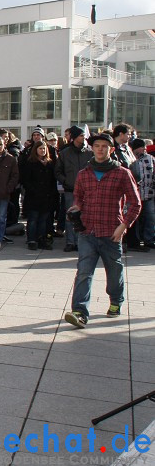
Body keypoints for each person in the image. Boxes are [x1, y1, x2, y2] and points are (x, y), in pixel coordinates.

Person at [63, 133, 141, 329]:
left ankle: (116, 300)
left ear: (111, 150)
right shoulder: (84, 174)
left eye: (104, 146)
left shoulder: (122, 173)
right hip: (87, 231)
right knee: (83, 272)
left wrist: (124, 225)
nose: (100, 149)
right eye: (96, 146)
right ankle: (79, 312)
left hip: (111, 231)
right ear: (92, 148)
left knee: (114, 271)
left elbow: (135, 203)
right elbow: (78, 198)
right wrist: (76, 208)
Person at [55, 126, 93, 253]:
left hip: (86, 191)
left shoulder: (89, 153)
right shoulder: (64, 153)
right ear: (75, 137)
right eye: (81, 135)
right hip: (70, 190)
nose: (84, 138)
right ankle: (70, 242)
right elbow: (58, 171)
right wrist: (66, 181)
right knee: (70, 216)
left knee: (83, 217)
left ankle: (80, 242)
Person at [21, 141, 58, 250]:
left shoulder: (50, 163)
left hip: (46, 196)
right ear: (35, 150)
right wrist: (33, 190)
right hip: (34, 196)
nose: (42, 150)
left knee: (43, 220)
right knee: (33, 219)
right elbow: (26, 180)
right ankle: (31, 239)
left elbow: (52, 181)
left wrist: (52, 194)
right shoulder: (30, 162)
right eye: (40, 148)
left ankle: (41, 238)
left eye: (44, 148)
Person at [128, 138, 154, 252]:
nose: (143, 149)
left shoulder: (151, 159)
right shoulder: (131, 159)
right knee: (135, 219)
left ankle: (149, 239)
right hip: (134, 195)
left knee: (150, 217)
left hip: (148, 194)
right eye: (141, 147)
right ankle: (136, 240)